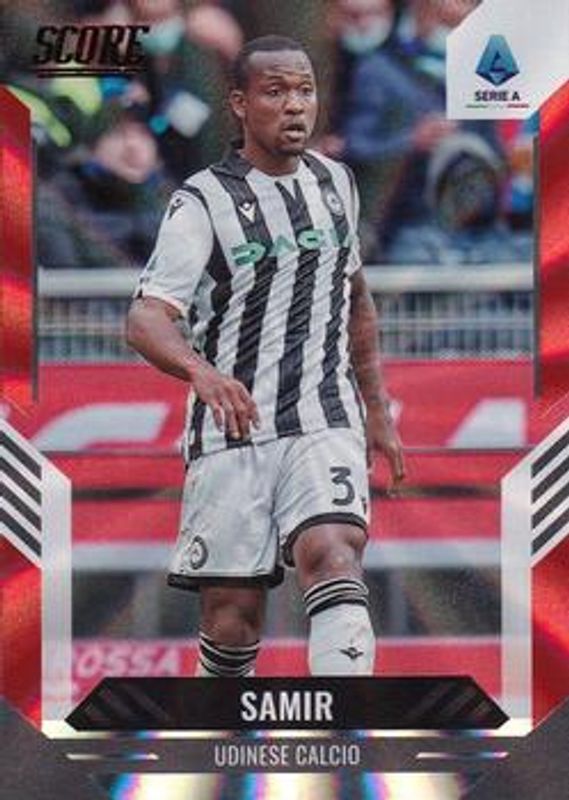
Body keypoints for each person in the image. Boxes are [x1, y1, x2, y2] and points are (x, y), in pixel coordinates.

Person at [126, 35, 405, 678]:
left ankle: (343, 715)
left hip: (324, 416)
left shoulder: (336, 182)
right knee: (232, 619)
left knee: (334, 552)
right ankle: (219, 728)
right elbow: (145, 318)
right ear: (240, 104)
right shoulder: (201, 201)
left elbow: (355, 298)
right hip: (233, 430)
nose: (295, 105)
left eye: (304, 90)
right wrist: (201, 373)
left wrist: (376, 408)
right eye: (275, 91)